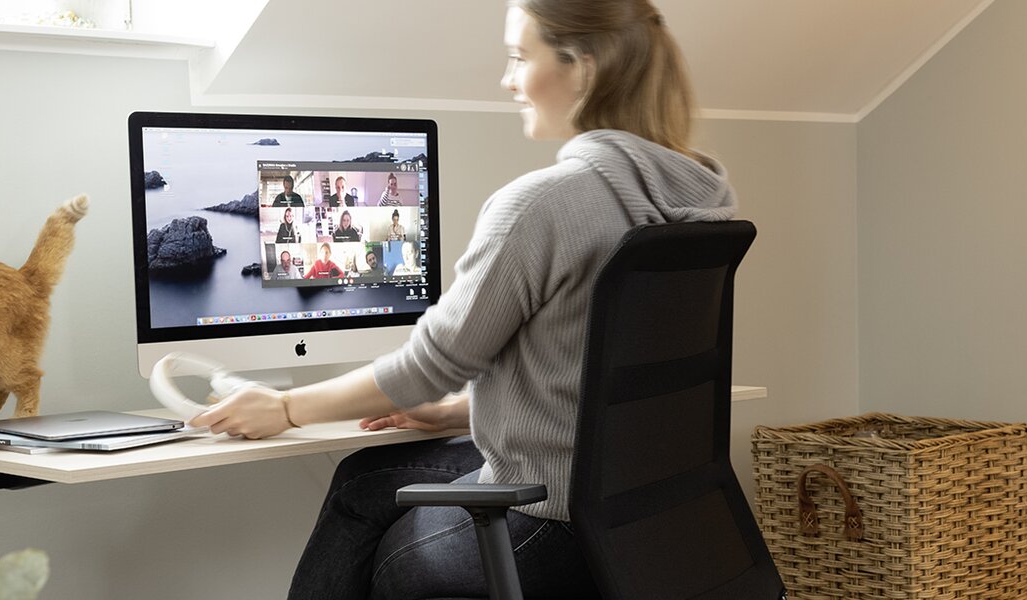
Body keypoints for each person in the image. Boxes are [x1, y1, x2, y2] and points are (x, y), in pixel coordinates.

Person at [191, 1, 728, 597]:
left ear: (582, 67)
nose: (507, 79)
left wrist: (286, 409)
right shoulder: (701, 199)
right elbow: (597, 382)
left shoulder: (542, 205)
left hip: (550, 516)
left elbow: (431, 364)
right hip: (640, 510)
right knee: (359, 480)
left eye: (520, 58)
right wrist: (456, 412)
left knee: (391, 558)